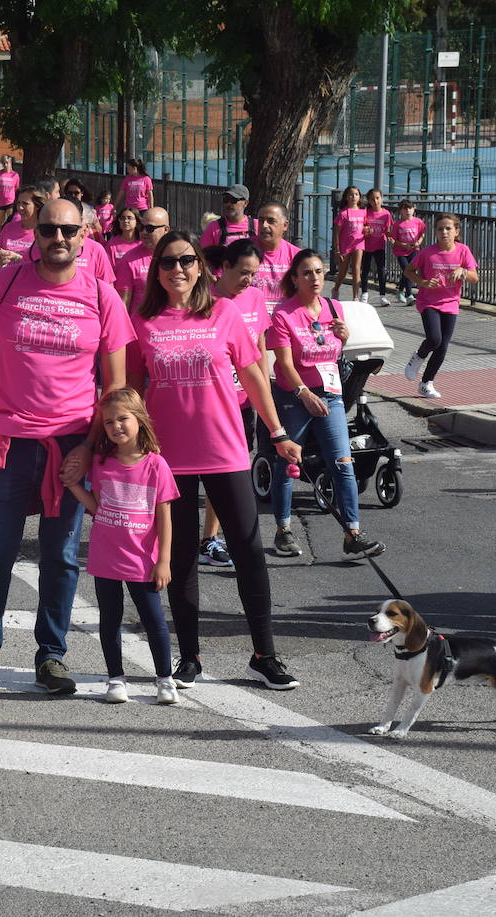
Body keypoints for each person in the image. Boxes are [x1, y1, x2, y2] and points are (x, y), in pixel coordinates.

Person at [0, 198, 133, 698]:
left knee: (61, 558)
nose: (59, 237)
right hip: (8, 444)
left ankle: (51, 657)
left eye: (69, 230)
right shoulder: (6, 284)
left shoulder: (102, 297)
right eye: (49, 228)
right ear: (35, 232)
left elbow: (115, 391)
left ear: (85, 235)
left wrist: (90, 449)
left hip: (71, 444)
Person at [128, 230, 304, 691]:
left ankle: (264, 654)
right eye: (168, 262)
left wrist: (279, 433)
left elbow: (253, 379)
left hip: (225, 451)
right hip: (168, 459)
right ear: (157, 271)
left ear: (201, 267)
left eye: (186, 260)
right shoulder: (142, 321)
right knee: (181, 558)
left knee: (248, 552)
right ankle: (190, 656)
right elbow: (128, 394)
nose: (178, 269)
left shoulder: (224, 313)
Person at [266, 249, 386, 560]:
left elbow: (332, 351)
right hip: (295, 395)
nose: (315, 278)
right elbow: (284, 363)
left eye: (319, 272)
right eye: (307, 273)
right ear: (295, 278)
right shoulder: (284, 315)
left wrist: (344, 338)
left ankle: (352, 533)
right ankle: (283, 530)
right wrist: (304, 393)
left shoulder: (333, 308)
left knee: (343, 463)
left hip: (330, 393)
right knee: (290, 462)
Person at [65, 389, 178, 705]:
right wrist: (73, 484)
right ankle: (116, 678)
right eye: (109, 421)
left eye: (123, 418)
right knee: (109, 619)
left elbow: (164, 518)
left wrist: (164, 559)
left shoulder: (156, 465)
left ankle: (165, 679)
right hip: (106, 557)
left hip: (143, 559)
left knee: (153, 620)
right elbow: (97, 507)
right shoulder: (101, 464)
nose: (116, 426)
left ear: (139, 420)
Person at [197, 239, 272, 567]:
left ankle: (210, 537)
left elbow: (259, 345)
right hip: (206, 403)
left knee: (231, 471)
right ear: (223, 268)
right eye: (243, 272)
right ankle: (182, 538)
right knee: (199, 474)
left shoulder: (255, 297)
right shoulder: (202, 299)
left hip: (242, 402)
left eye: (253, 274)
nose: (249, 280)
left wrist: (265, 394)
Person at [402, 213, 479, 399]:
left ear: (456, 231)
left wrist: (463, 271)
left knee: (443, 346)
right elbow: (408, 271)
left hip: (450, 303)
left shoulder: (463, 251)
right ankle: (418, 357)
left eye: (448, 228)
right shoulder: (428, 252)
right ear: (435, 232)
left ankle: (426, 383)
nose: (444, 232)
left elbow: (474, 278)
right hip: (429, 302)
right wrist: (422, 282)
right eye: (440, 229)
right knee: (434, 339)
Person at [113, 207, 169, 307]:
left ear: (165, 230)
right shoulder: (129, 260)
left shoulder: (177, 256)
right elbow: (123, 304)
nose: (144, 232)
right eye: (141, 228)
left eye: (149, 228)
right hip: (139, 321)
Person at [252, 202, 299, 312]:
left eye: (271, 221)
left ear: (285, 225)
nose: (264, 225)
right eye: (261, 220)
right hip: (252, 320)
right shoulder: (243, 251)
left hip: (283, 320)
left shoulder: (296, 256)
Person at [0, 185, 42, 271]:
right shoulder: (9, 227)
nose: (20, 207)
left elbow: (43, 268)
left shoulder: (43, 233)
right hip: (3, 281)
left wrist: (16, 257)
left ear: (37, 206)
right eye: (18, 203)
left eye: (25, 203)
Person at [331, 185, 365, 302]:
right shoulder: (343, 213)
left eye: (356, 194)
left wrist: (368, 230)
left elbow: (366, 226)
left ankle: (355, 296)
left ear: (359, 197)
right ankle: (335, 289)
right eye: (350, 195)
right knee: (343, 271)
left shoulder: (363, 212)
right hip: (345, 246)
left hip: (359, 244)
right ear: (346, 197)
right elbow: (336, 232)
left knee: (356, 269)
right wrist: (337, 250)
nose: (353, 197)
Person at [388, 200, 425, 306]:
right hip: (400, 252)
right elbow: (393, 239)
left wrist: (418, 242)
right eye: (405, 209)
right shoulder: (398, 224)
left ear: (414, 209)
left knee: (409, 270)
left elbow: (422, 234)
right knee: (407, 270)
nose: (408, 211)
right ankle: (409, 295)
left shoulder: (418, 222)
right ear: (400, 211)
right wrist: (403, 245)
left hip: (414, 250)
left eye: (410, 208)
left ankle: (400, 290)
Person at [361, 189, 392, 305]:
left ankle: (382, 296)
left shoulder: (386, 214)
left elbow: (388, 230)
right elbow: (362, 227)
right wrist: (366, 231)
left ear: (382, 198)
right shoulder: (366, 212)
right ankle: (364, 294)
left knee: (381, 270)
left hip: (380, 245)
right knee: (365, 270)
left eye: (378, 198)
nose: (375, 201)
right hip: (367, 246)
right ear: (369, 200)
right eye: (372, 199)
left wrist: (392, 238)